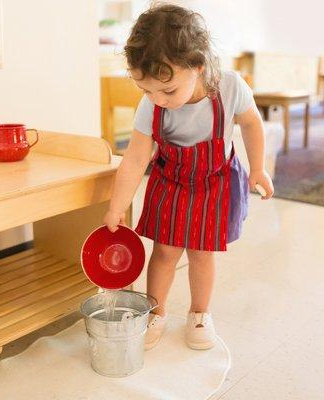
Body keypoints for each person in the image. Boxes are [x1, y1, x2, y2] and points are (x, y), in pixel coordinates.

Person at [103, 4, 274, 351]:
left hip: (214, 180)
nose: (157, 100)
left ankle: (199, 313)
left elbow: (252, 123)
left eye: (167, 91)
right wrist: (116, 207)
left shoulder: (229, 86)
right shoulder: (152, 103)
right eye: (146, 91)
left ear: (197, 66)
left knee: (201, 252)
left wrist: (257, 167)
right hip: (171, 181)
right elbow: (135, 158)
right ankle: (155, 311)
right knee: (164, 251)